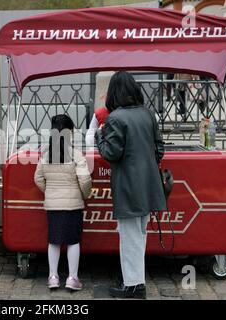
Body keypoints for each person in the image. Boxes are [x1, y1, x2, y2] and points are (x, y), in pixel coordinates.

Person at [95, 71, 166, 299]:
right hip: (149, 184)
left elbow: (110, 153)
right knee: (140, 234)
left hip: (128, 186)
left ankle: (134, 285)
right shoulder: (147, 114)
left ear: (113, 93)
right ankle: (135, 280)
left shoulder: (116, 118)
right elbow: (159, 150)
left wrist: (99, 136)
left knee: (129, 237)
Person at [34, 114, 92, 291]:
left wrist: (50, 193)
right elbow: (85, 180)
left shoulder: (46, 155)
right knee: (73, 241)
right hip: (73, 205)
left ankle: (53, 277)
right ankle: (72, 278)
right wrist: (84, 195)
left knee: (54, 240)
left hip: (53, 205)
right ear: (70, 133)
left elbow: (38, 178)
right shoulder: (75, 155)